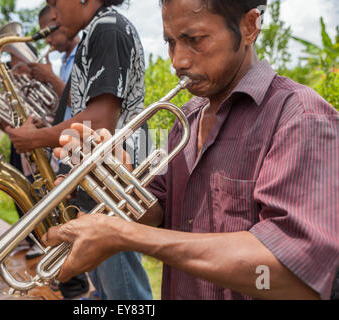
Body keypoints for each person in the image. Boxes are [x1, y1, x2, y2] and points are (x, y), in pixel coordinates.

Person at [44, 0, 339, 300]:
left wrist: (125, 235)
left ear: (250, 27)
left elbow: (293, 276)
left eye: (194, 40)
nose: (178, 61)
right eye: (171, 42)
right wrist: (113, 184)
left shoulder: (300, 117)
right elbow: (162, 212)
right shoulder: (186, 119)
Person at [6, 0, 153, 300]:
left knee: (124, 293)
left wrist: (37, 139)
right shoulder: (97, 31)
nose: (54, 14)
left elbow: (100, 120)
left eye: (55, 3)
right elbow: (85, 113)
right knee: (106, 288)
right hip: (98, 178)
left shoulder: (107, 29)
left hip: (110, 182)